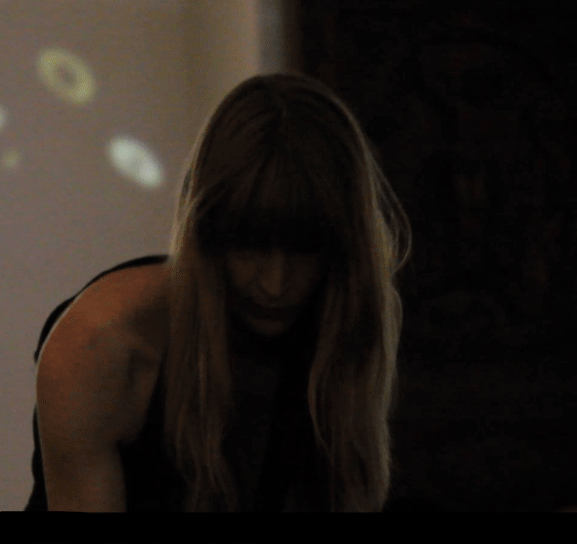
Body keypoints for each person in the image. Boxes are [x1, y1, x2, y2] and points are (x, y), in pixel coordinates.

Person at [25, 73, 413, 512]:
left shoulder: (344, 325)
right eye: (249, 245)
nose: (275, 284)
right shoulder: (99, 346)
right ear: (206, 233)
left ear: (344, 251)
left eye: (305, 248)